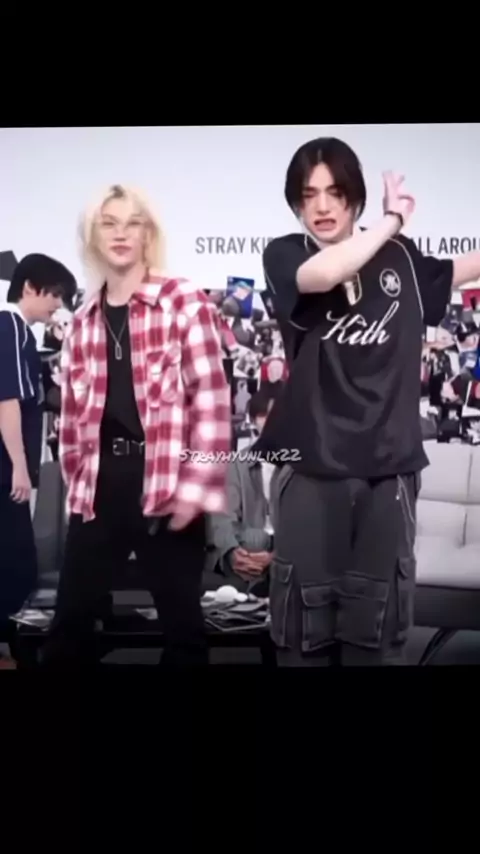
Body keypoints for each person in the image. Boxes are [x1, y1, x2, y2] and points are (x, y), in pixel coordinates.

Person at [256, 136, 480, 666]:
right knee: (302, 638)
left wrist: (390, 234)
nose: (322, 206)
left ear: (354, 196)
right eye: (309, 195)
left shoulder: (400, 259)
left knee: (376, 640)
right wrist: (391, 222)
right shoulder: (287, 254)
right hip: (309, 471)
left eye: (335, 192)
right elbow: (325, 274)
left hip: (389, 476)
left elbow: (462, 269)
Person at [41, 184, 231, 668]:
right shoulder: (83, 319)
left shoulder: (183, 300)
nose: (121, 233)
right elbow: (73, 418)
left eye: (132, 223)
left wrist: (196, 490)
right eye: (109, 223)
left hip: (166, 482)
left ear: (149, 234)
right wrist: (77, 485)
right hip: (100, 487)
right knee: (67, 632)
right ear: (93, 236)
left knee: (184, 634)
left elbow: (211, 403)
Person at [0, 253, 77, 668]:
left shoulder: (26, 337)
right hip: (4, 471)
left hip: (11, 470)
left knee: (17, 563)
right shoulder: (10, 327)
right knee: (16, 565)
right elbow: (7, 402)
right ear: (29, 287)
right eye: (54, 295)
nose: (57, 305)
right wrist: (18, 464)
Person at [206, 390, 275, 596]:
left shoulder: (299, 466)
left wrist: (276, 557)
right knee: (253, 540)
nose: (270, 422)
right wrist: (232, 553)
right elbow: (222, 518)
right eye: (263, 415)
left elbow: (306, 525)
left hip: (286, 554)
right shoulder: (236, 464)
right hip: (246, 546)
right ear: (253, 421)